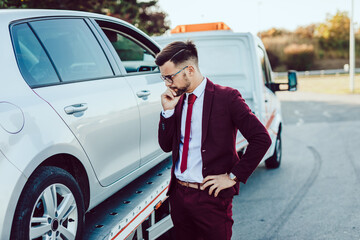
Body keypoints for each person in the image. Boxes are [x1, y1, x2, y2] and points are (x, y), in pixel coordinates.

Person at [156, 40, 271, 240]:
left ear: (189, 70)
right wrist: (167, 112)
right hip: (180, 196)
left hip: (211, 198)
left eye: (169, 77)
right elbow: (166, 146)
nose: (167, 84)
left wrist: (233, 176)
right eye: (163, 78)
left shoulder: (227, 98)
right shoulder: (176, 100)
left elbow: (261, 139)